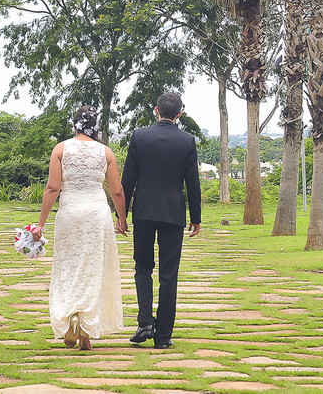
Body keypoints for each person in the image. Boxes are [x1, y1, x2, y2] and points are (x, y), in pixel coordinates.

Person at [33, 105, 127, 350]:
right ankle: (86, 328)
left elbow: (52, 188)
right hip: (97, 215)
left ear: (74, 125)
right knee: (94, 269)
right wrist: (122, 218)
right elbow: (117, 190)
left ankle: (71, 317)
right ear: (96, 127)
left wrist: (40, 224)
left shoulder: (61, 149)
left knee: (67, 268)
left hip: (70, 214)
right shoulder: (106, 152)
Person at [121, 91, 202, 349]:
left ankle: (145, 321)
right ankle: (163, 336)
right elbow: (193, 182)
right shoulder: (187, 141)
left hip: (143, 211)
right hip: (172, 213)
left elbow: (128, 178)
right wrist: (196, 217)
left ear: (156, 110)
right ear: (179, 114)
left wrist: (121, 214)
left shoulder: (139, 136)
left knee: (142, 267)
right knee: (169, 273)